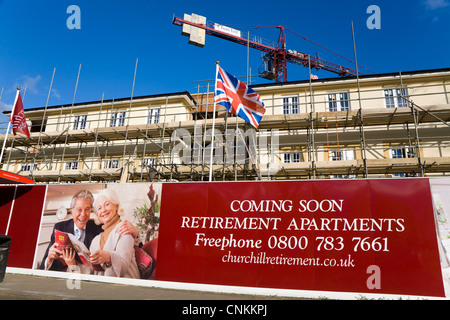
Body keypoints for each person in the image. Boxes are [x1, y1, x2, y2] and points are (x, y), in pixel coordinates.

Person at [40, 189, 139, 272]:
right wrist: (49, 259)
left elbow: (131, 249)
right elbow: (44, 266)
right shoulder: (60, 227)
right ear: (72, 211)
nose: (83, 214)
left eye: (87, 209)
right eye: (79, 209)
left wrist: (136, 234)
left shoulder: (99, 228)